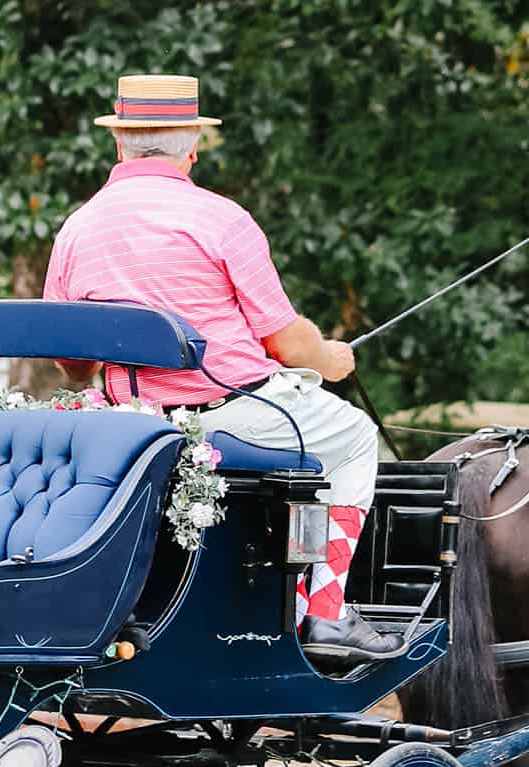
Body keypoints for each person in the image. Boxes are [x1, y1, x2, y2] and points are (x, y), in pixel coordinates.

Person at [43, 73, 398, 662]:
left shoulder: (78, 228)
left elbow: (74, 365)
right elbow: (285, 343)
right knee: (356, 436)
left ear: (118, 144)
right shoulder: (221, 219)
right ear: (193, 147)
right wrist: (331, 359)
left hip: (129, 427)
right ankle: (327, 613)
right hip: (225, 419)